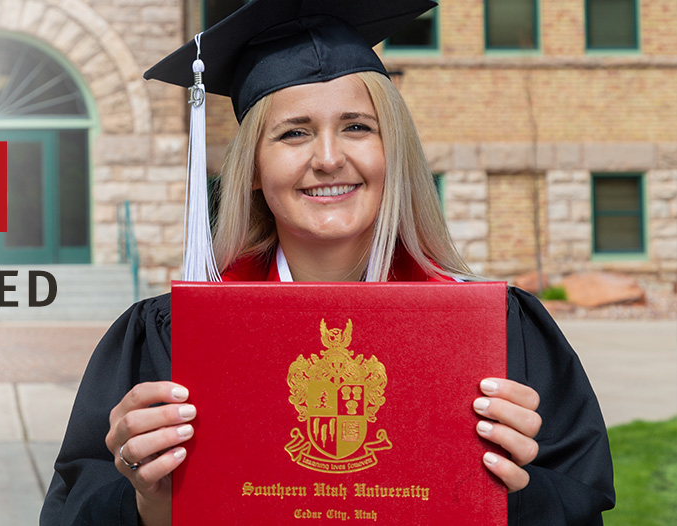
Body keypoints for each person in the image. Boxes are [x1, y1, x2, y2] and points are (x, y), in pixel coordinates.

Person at [39, 1, 614, 525]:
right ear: (255, 174)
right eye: (294, 133)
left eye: (358, 128)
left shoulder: (499, 335)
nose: (330, 158)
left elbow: (580, 505)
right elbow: (72, 510)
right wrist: (148, 505)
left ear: (394, 151)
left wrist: (514, 494)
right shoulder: (169, 342)